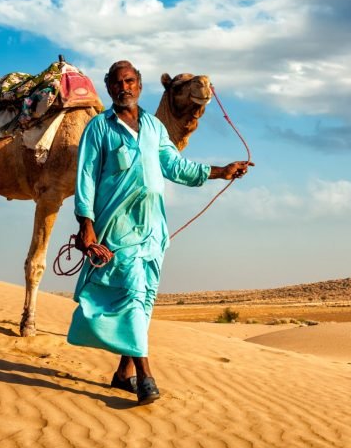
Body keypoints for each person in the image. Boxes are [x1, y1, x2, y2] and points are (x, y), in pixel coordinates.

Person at [67, 60, 252, 405]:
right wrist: (86, 225)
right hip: (117, 227)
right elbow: (86, 178)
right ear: (109, 88)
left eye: (130, 80)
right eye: (118, 82)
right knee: (134, 291)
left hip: (153, 228)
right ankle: (146, 377)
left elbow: (175, 166)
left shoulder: (153, 127)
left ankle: (123, 373)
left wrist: (220, 171)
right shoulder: (99, 129)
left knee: (144, 298)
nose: (124, 87)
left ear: (139, 86)